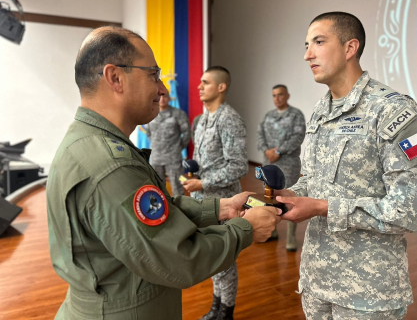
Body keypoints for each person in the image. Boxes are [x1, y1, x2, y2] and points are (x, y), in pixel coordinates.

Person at [46, 27, 281, 320]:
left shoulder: (94, 144)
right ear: (115, 78)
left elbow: (159, 209)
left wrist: (219, 207)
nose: (163, 90)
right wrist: (246, 229)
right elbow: (181, 259)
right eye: (152, 75)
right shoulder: (110, 166)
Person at [276, 12, 417, 320]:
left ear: (350, 48)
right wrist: (286, 196)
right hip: (316, 283)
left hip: (368, 296)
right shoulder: (321, 111)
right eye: (307, 44)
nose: (307, 54)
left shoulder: (396, 111)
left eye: (319, 42)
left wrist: (324, 207)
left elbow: (413, 212)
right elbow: (313, 180)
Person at [182, 66, 247, 320]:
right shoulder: (202, 119)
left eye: (205, 82)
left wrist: (204, 182)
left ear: (221, 87)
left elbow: (239, 166)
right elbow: (202, 157)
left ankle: (225, 313)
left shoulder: (228, 118)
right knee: (213, 257)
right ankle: (216, 309)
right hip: (203, 202)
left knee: (224, 260)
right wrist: (194, 176)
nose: (199, 86)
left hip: (224, 202)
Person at [257, 84, 306, 251]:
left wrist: (278, 151)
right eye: (274, 95)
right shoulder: (268, 116)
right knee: (270, 197)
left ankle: (291, 237)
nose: (277, 98)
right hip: (269, 163)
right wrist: (266, 151)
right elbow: (260, 135)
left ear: (287, 96)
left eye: (280, 95)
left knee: (290, 198)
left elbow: (298, 136)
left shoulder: (295, 115)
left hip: (288, 164)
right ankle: (273, 231)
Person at [143, 88, 190, 197]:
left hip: (173, 158)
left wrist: (178, 148)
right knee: (157, 188)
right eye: (160, 96)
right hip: (156, 158)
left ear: (169, 98)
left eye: (165, 96)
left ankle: (181, 212)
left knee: (178, 187)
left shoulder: (178, 114)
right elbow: (148, 133)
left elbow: (187, 134)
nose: (162, 99)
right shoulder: (150, 113)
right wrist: (157, 145)